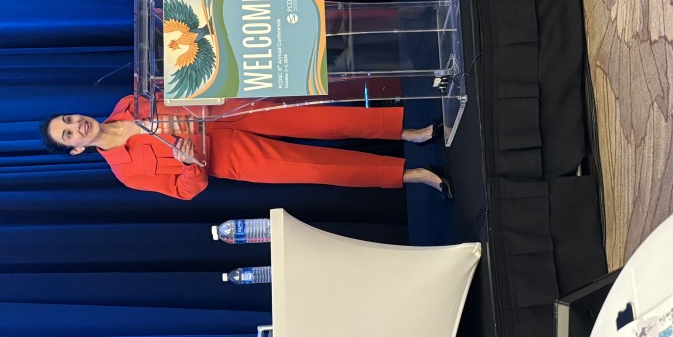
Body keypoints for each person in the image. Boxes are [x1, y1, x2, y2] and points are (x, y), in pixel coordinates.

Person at [41, 94, 451, 201]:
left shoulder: (131, 100)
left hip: (228, 111)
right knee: (316, 167)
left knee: (323, 120)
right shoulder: (126, 172)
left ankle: (410, 134)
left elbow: (183, 87)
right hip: (226, 157)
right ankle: (413, 175)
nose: (77, 126)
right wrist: (189, 164)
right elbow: (185, 190)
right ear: (76, 150)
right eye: (69, 134)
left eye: (70, 119)